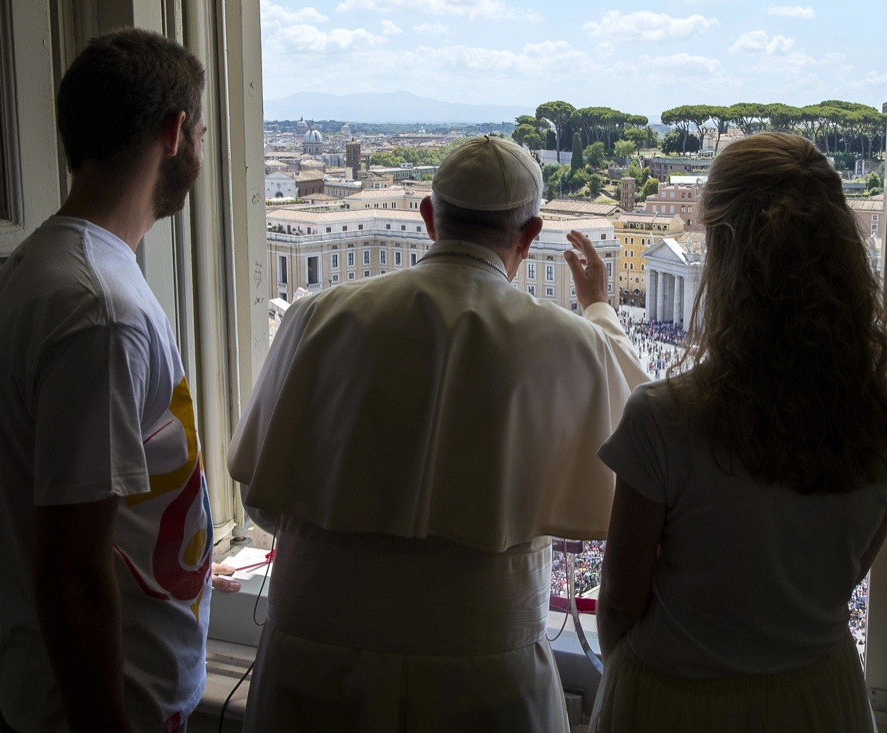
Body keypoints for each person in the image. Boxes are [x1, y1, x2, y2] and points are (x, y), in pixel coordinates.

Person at [227, 135, 649, 731]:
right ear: (529, 237)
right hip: (483, 675)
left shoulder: (314, 316)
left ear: (429, 218)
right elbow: (647, 421)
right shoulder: (571, 341)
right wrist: (598, 307)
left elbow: (262, 499)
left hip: (310, 664)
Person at [591, 132, 887, 732]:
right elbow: (846, 574)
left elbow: (618, 602)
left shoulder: (662, 417)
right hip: (818, 697)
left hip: (673, 695)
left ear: (722, 255)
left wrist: (634, 676)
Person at [0, 28, 222, 732]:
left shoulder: (39, 268)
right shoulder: (101, 310)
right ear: (175, 133)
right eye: (201, 130)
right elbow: (72, 565)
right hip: (107, 706)